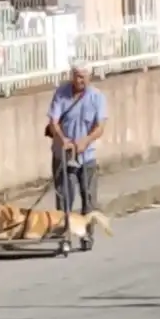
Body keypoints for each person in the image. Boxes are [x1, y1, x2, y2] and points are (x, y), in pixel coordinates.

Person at [46, 63, 108, 237]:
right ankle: (64, 233)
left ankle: (87, 234)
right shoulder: (61, 93)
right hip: (64, 155)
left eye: (83, 76)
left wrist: (86, 141)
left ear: (89, 77)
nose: (79, 80)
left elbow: (100, 127)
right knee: (65, 196)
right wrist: (62, 139)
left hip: (86, 156)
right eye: (77, 76)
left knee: (89, 197)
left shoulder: (97, 97)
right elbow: (53, 121)